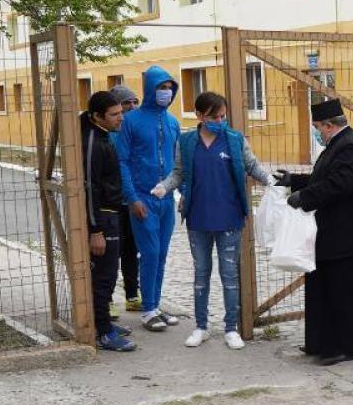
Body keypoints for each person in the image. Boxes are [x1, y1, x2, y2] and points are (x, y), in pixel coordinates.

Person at [278, 98, 353, 365]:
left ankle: (349, 346)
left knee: (346, 291)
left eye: (317, 128)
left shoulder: (351, 146)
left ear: (329, 125)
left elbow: (340, 184)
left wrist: (304, 197)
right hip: (341, 233)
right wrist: (294, 181)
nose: (316, 133)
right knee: (328, 287)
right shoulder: (341, 144)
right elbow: (325, 177)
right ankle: (323, 341)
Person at [151, 91, 272, 349]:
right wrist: (164, 186)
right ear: (199, 115)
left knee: (229, 275)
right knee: (201, 274)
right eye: (214, 117)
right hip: (198, 218)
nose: (220, 121)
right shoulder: (186, 142)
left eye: (223, 116)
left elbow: (252, 166)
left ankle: (231, 328)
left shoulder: (235, 140)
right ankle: (201, 327)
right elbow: (179, 173)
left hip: (229, 218)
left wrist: (270, 180)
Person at [115, 65, 181, 333]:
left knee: (161, 254)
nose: (166, 92)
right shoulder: (131, 121)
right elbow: (122, 161)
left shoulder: (172, 121)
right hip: (143, 198)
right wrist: (132, 198)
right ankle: (147, 310)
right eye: (161, 87)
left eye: (169, 88)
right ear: (150, 89)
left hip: (166, 197)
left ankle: (154, 304)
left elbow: (179, 163)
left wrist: (183, 192)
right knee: (150, 252)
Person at [81, 90, 136, 352]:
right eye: (114, 114)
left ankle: (102, 323)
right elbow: (90, 187)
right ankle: (103, 332)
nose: (120, 118)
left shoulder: (104, 136)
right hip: (102, 217)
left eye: (120, 113)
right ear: (97, 116)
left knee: (110, 273)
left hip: (112, 213)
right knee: (104, 276)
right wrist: (96, 230)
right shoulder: (93, 142)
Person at [109, 84, 142, 313]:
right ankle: (107, 300)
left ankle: (132, 295)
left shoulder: (135, 131)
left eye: (134, 101)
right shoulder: (109, 135)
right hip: (113, 204)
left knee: (132, 251)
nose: (131, 107)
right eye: (126, 103)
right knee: (112, 253)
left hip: (133, 201)